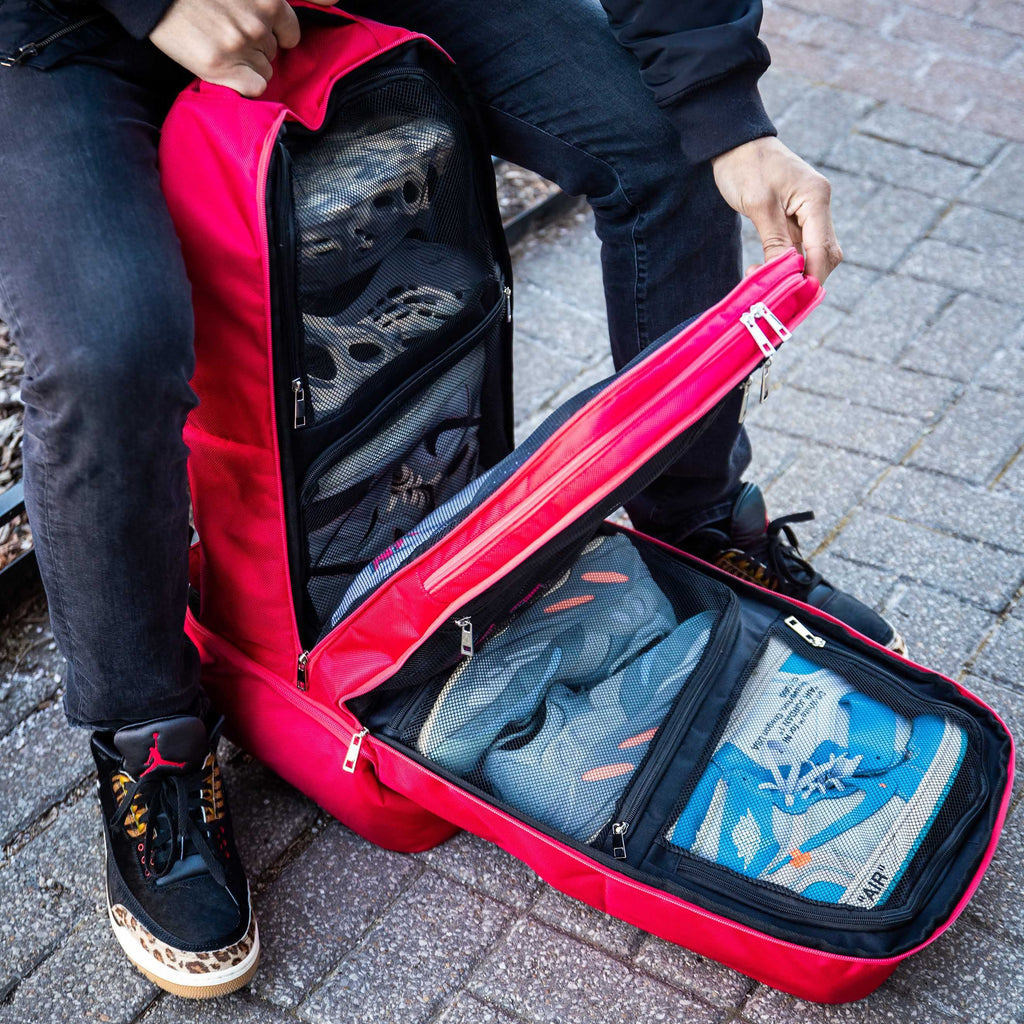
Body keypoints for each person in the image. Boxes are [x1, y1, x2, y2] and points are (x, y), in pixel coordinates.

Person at [0, 0, 903, 999]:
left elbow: (695, 106)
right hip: (62, 32)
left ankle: (692, 522)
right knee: (106, 352)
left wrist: (731, 119)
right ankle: (149, 745)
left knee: (666, 147)